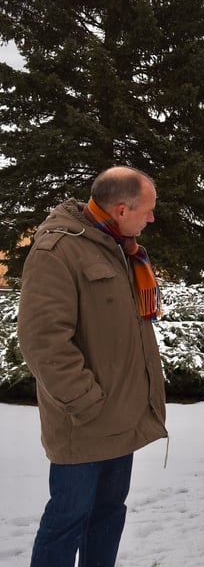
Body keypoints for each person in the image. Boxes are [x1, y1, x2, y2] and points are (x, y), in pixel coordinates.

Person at [17, 166, 167, 567]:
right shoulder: (59, 251)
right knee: (67, 520)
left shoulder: (120, 247)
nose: (152, 218)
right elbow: (42, 339)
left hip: (121, 416)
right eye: (148, 210)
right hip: (83, 421)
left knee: (108, 514)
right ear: (121, 209)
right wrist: (87, 401)